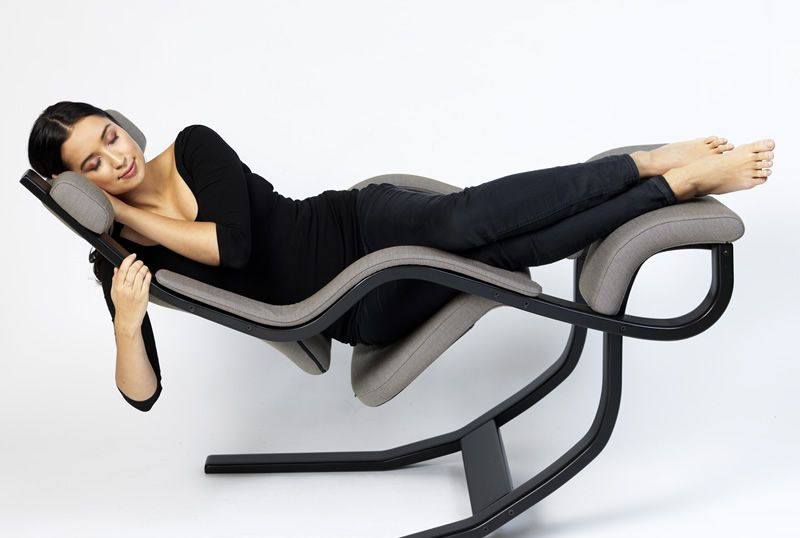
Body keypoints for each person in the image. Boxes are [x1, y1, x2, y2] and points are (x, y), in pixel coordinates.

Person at [27, 101, 775, 412]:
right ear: (79, 187)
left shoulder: (192, 146)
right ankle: (670, 184)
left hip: (355, 218)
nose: (116, 159)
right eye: (92, 166)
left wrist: (134, 216)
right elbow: (143, 395)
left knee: (469, 218)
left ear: (121, 124)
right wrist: (126, 323)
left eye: (109, 137)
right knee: (499, 253)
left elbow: (233, 242)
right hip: (364, 299)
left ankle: (652, 168)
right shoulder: (119, 263)